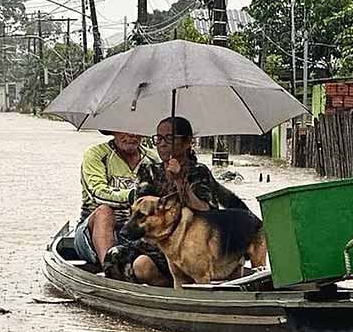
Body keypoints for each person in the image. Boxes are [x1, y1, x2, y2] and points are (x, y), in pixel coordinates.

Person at [103, 116, 251, 286]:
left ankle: (181, 285)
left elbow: (207, 212)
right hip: (155, 243)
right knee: (113, 257)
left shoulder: (198, 172)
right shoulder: (149, 170)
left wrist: (180, 180)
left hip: (191, 246)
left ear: (187, 142)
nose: (162, 144)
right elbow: (142, 205)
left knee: (142, 266)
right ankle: (167, 287)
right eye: (158, 138)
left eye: (169, 138)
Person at [74, 131, 159, 271]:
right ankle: (109, 269)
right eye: (124, 130)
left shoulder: (152, 159)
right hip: (93, 229)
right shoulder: (96, 154)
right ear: (113, 131)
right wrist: (133, 195)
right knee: (104, 211)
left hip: (135, 227)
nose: (131, 136)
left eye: (136, 131)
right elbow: (98, 192)